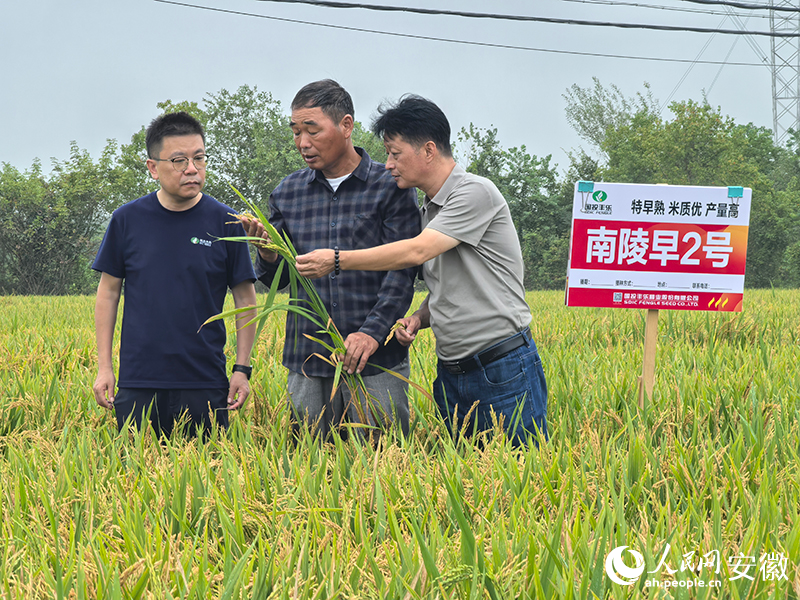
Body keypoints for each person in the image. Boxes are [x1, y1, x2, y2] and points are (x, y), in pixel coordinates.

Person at [295, 95, 548, 447]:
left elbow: (416, 251)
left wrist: (337, 259)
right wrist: (418, 317)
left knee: (520, 478)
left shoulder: (474, 193)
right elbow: (453, 286)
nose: (388, 165)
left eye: (396, 154)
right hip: (453, 371)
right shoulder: (430, 210)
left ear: (428, 151)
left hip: (500, 367)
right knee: (474, 485)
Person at [241, 79, 421, 440]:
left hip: (377, 359)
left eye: (312, 130)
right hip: (307, 357)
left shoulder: (391, 186)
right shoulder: (287, 193)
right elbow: (281, 279)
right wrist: (266, 253)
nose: (302, 143)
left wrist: (371, 334)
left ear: (346, 125)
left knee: (384, 468)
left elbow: (402, 270)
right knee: (309, 465)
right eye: (296, 132)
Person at [92, 111, 258, 438]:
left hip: (205, 380)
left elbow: (245, 299)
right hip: (139, 381)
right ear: (153, 167)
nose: (192, 168)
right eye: (179, 160)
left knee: (206, 482)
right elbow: (108, 293)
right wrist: (104, 366)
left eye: (199, 158)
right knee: (134, 479)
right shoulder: (127, 220)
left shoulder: (227, 222)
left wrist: (241, 369)